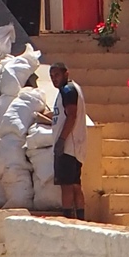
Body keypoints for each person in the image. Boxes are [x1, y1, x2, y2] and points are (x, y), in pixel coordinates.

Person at [49, 64, 87, 219]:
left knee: (66, 186)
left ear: (66, 74)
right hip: (75, 146)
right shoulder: (69, 90)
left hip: (68, 146)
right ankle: (81, 219)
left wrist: (61, 140)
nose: (54, 79)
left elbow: (71, 116)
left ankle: (68, 220)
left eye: (57, 75)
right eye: (52, 76)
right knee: (76, 185)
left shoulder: (68, 90)